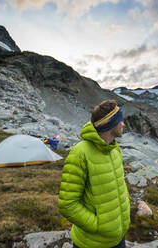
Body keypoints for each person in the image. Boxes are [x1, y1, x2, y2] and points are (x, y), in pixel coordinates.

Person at [58, 100, 130, 248]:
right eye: (120, 121)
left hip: (118, 237)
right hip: (92, 243)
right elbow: (67, 204)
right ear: (110, 124)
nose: (123, 125)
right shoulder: (80, 153)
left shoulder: (115, 150)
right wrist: (98, 226)